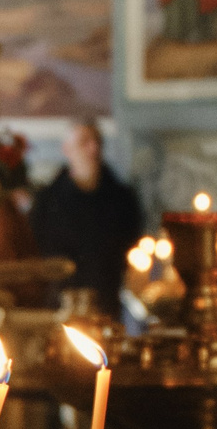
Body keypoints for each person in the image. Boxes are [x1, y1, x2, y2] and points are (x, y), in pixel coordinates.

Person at [29, 120, 146, 318]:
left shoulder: (122, 198)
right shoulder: (48, 201)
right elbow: (37, 249)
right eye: (84, 142)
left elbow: (131, 243)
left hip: (106, 301)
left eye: (97, 141)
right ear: (67, 149)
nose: (93, 148)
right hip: (60, 303)